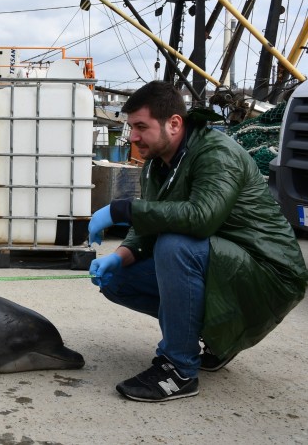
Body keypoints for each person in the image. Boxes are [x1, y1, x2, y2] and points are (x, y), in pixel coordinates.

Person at [88, 81, 307, 403]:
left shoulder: (217, 153)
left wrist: (123, 208)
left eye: (140, 127)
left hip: (270, 274)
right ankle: (220, 340)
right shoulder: (157, 164)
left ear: (174, 123)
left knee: (176, 245)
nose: (133, 137)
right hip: (226, 265)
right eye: (130, 127)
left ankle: (178, 369)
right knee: (119, 280)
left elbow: (202, 217)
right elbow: (148, 228)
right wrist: (120, 256)